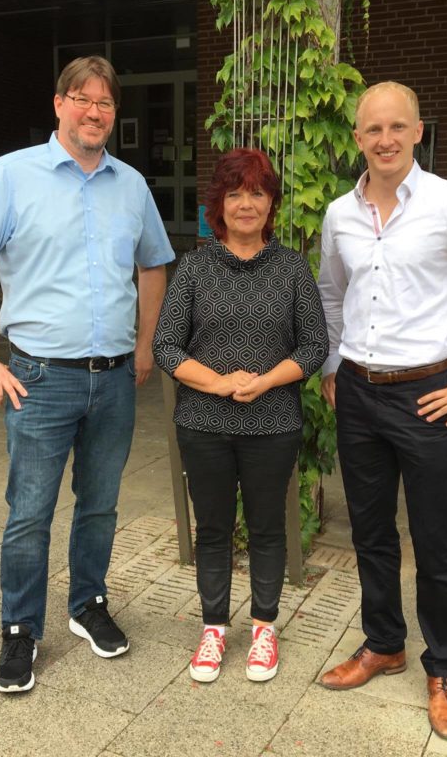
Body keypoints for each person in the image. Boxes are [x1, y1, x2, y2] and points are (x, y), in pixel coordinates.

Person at [0, 56, 174, 694]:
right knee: (30, 512)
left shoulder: (131, 186)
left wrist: (146, 345)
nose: (94, 111)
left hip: (114, 377)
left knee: (99, 506)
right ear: (58, 104)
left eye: (105, 103)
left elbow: (153, 265)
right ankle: (19, 630)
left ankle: (87, 605)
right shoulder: (11, 176)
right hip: (41, 379)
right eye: (82, 98)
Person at [316, 81, 447, 739]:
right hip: (356, 392)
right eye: (372, 129)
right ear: (358, 138)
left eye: (397, 127)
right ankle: (383, 644)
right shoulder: (339, 214)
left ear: (416, 132)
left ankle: (442, 666)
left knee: (437, 542)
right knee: (371, 534)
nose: (384, 139)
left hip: (428, 395)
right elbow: (330, 295)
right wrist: (331, 367)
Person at [153, 148, 328, 684]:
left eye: (256, 192)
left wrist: (263, 381)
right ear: (218, 205)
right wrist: (220, 382)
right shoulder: (196, 267)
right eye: (235, 193)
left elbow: (315, 346)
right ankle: (212, 629)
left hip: (272, 423)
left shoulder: (292, 268)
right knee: (212, 529)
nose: (245, 204)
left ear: (271, 201)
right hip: (203, 426)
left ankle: (264, 629)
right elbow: (166, 345)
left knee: (268, 527)